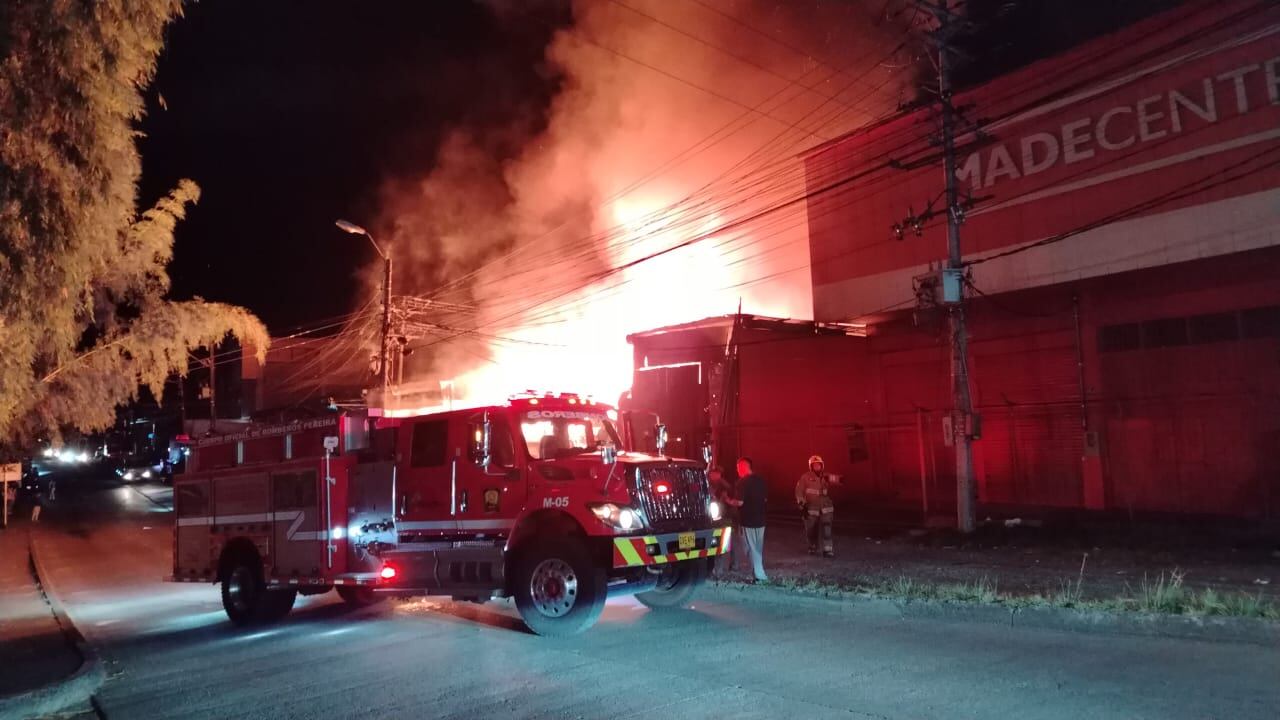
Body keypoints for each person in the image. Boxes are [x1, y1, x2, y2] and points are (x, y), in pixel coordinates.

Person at [727, 456, 768, 583]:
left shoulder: (742, 482)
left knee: (750, 548)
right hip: (761, 520)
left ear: (743, 467)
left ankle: (760, 576)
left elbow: (739, 502)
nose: (737, 470)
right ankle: (757, 574)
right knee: (757, 548)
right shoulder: (761, 481)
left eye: (738, 467)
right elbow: (765, 499)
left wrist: (728, 500)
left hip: (747, 521)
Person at [795, 454, 841, 557]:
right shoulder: (805, 477)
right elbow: (799, 491)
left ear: (822, 465)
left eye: (818, 465)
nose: (817, 467)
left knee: (827, 529)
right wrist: (802, 504)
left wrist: (838, 479)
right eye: (814, 465)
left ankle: (828, 550)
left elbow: (840, 480)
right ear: (811, 466)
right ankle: (812, 547)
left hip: (826, 507)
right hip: (811, 508)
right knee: (811, 530)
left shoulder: (826, 476)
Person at [709, 466, 741, 572]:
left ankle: (719, 568)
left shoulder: (724, 486)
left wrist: (721, 499)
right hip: (725, 518)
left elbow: (729, 501)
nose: (711, 475)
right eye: (711, 473)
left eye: (714, 473)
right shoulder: (715, 485)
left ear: (719, 474)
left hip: (725, 518)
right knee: (728, 543)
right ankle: (732, 566)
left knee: (721, 543)